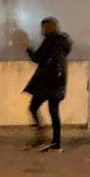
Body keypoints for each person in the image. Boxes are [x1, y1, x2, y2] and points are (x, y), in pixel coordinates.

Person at [25, 17, 73, 152]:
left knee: (33, 107)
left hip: (46, 82)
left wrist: (28, 48)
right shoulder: (63, 42)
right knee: (54, 111)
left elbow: (37, 58)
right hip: (59, 82)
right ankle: (56, 143)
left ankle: (41, 132)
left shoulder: (49, 41)